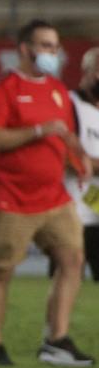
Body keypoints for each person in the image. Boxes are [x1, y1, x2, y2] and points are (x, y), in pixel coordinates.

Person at [0, 19, 93, 368]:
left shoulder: (57, 89)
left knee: (73, 260)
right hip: (10, 198)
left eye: (55, 47)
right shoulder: (1, 88)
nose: (53, 53)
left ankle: (56, 340)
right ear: (25, 49)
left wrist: (79, 159)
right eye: (45, 46)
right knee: (2, 272)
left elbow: (65, 136)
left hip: (54, 197)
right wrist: (38, 130)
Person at [67, 48, 99, 281]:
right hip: (73, 200)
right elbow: (67, 156)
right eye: (97, 70)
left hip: (96, 200)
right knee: (67, 270)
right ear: (85, 71)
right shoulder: (69, 104)